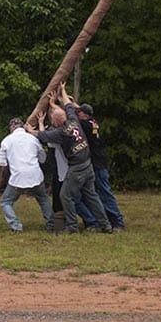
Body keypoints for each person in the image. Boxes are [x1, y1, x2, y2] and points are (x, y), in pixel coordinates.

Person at [27, 86, 112, 234]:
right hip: (88, 164)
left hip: (77, 168)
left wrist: (30, 130)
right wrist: (62, 91)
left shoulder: (61, 133)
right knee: (91, 196)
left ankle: (72, 227)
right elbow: (68, 104)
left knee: (65, 195)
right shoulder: (74, 120)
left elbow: (42, 136)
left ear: (56, 122)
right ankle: (106, 225)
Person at [0, 117, 54, 232]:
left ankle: (16, 226)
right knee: (43, 199)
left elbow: (0, 163)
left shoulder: (7, 140)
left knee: (6, 202)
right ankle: (51, 224)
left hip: (18, 178)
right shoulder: (33, 139)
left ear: (11, 128)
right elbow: (42, 159)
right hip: (35, 175)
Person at [76, 102, 125, 230]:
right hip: (99, 163)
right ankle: (101, 220)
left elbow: (71, 117)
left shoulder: (85, 124)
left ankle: (117, 222)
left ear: (86, 115)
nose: (77, 114)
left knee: (104, 193)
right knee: (93, 194)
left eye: (80, 112)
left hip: (97, 165)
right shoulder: (92, 122)